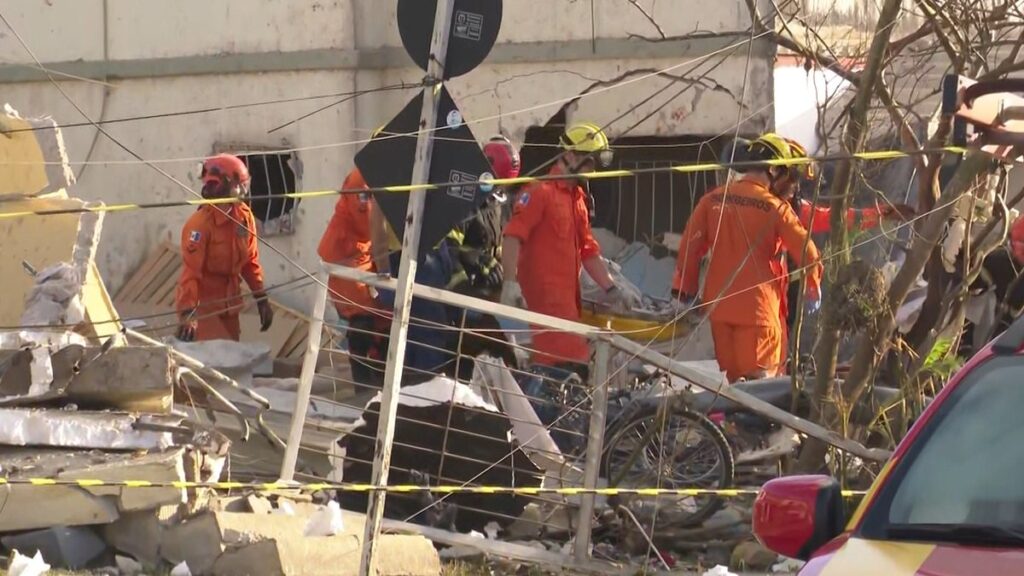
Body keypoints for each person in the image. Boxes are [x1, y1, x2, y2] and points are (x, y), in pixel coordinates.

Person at [672, 133, 822, 383]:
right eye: (789, 176)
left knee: (731, 390)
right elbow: (808, 252)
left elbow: (690, 247)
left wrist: (683, 291)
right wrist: (814, 287)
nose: (792, 185)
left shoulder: (711, 200)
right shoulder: (775, 207)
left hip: (719, 313)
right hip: (759, 316)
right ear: (775, 171)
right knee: (762, 392)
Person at [500, 122, 639, 379]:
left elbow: (588, 250)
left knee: (573, 367)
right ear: (570, 155)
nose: (591, 170)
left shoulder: (577, 200)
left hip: (567, 306)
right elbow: (512, 236)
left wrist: (612, 288)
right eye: (588, 162)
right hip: (545, 306)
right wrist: (510, 283)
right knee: (561, 366)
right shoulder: (539, 192)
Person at [176, 154, 274, 342]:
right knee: (211, 362)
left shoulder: (244, 218)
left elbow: (250, 261)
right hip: (204, 308)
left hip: (230, 305)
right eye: (239, 185)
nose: (243, 190)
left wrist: (261, 298)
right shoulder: (199, 225)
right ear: (224, 184)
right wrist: (188, 313)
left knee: (232, 358)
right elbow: (191, 273)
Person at [317, 166, 391, 388]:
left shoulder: (382, 175)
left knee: (382, 318)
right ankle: (363, 388)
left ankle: (377, 378)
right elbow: (367, 222)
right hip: (345, 255)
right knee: (362, 319)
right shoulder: (363, 180)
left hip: (363, 255)